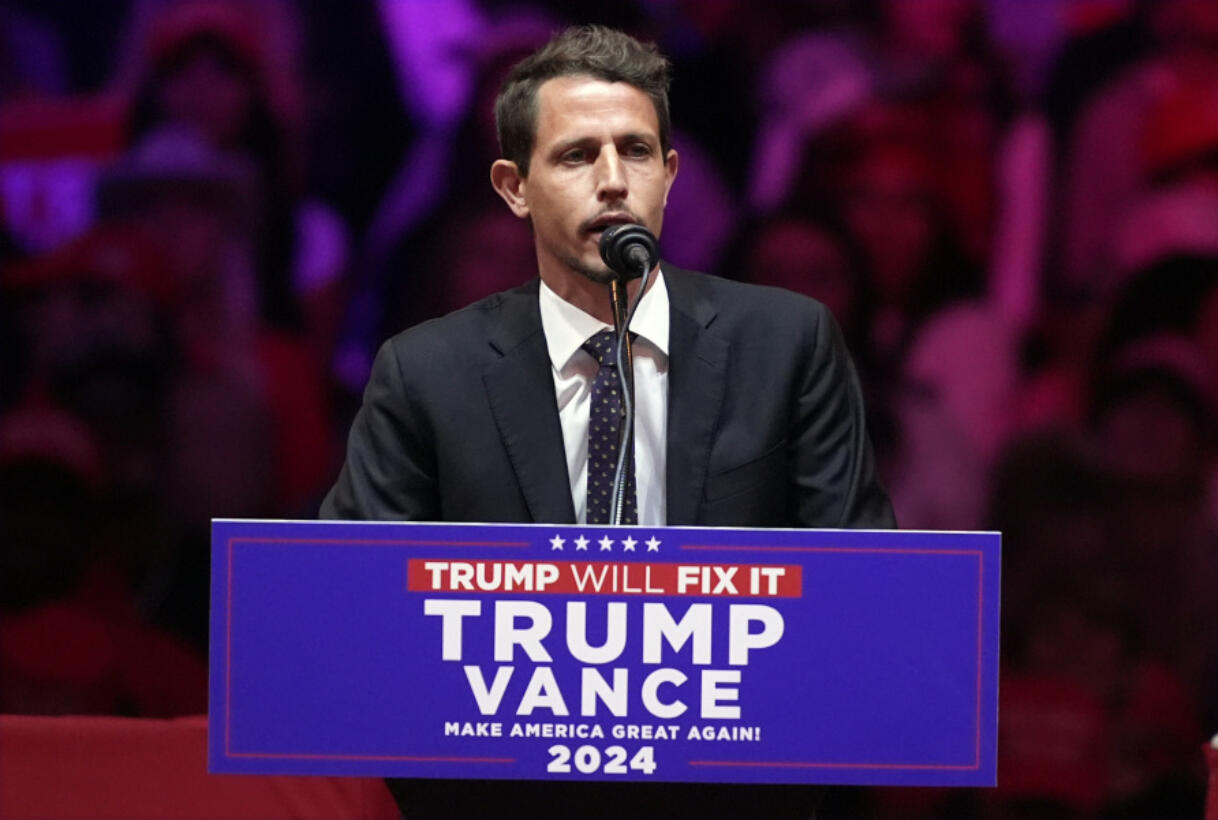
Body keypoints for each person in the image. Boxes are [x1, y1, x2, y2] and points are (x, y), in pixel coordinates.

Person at [322, 25, 894, 818]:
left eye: (635, 151)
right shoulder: (426, 372)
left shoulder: (787, 345)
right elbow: (351, 622)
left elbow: (863, 612)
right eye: (574, 155)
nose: (612, 182)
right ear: (514, 187)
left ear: (670, 174)